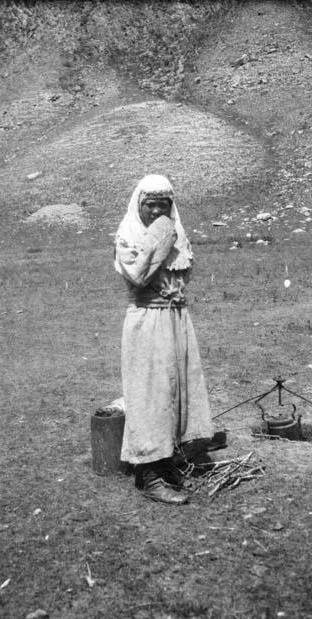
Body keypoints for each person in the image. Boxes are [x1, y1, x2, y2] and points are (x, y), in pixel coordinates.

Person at [114, 174, 215, 504]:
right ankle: (148, 474)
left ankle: (167, 459)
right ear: (138, 205)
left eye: (164, 204)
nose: (158, 210)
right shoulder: (129, 236)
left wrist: (170, 233)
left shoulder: (178, 234)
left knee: (177, 389)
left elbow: (182, 277)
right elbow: (139, 276)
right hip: (147, 321)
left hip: (176, 319)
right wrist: (161, 233)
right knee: (150, 394)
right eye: (151, 204)